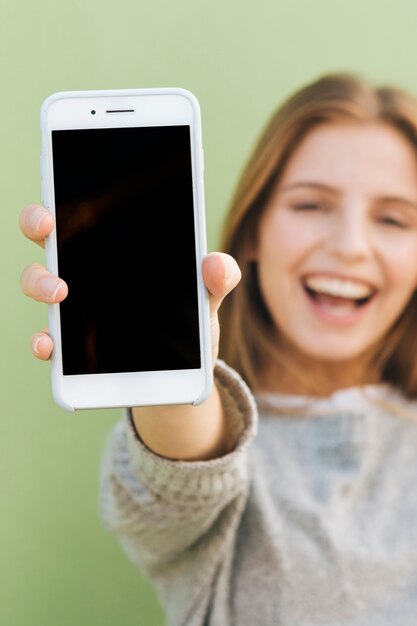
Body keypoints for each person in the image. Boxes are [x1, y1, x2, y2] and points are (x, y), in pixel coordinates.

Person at [20, 72, 417, 625]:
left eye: (394, 219)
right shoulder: (206, 442)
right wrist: (177, 353)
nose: (350, 246)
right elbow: (188, 470)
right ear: (253, 230)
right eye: (310, 206)